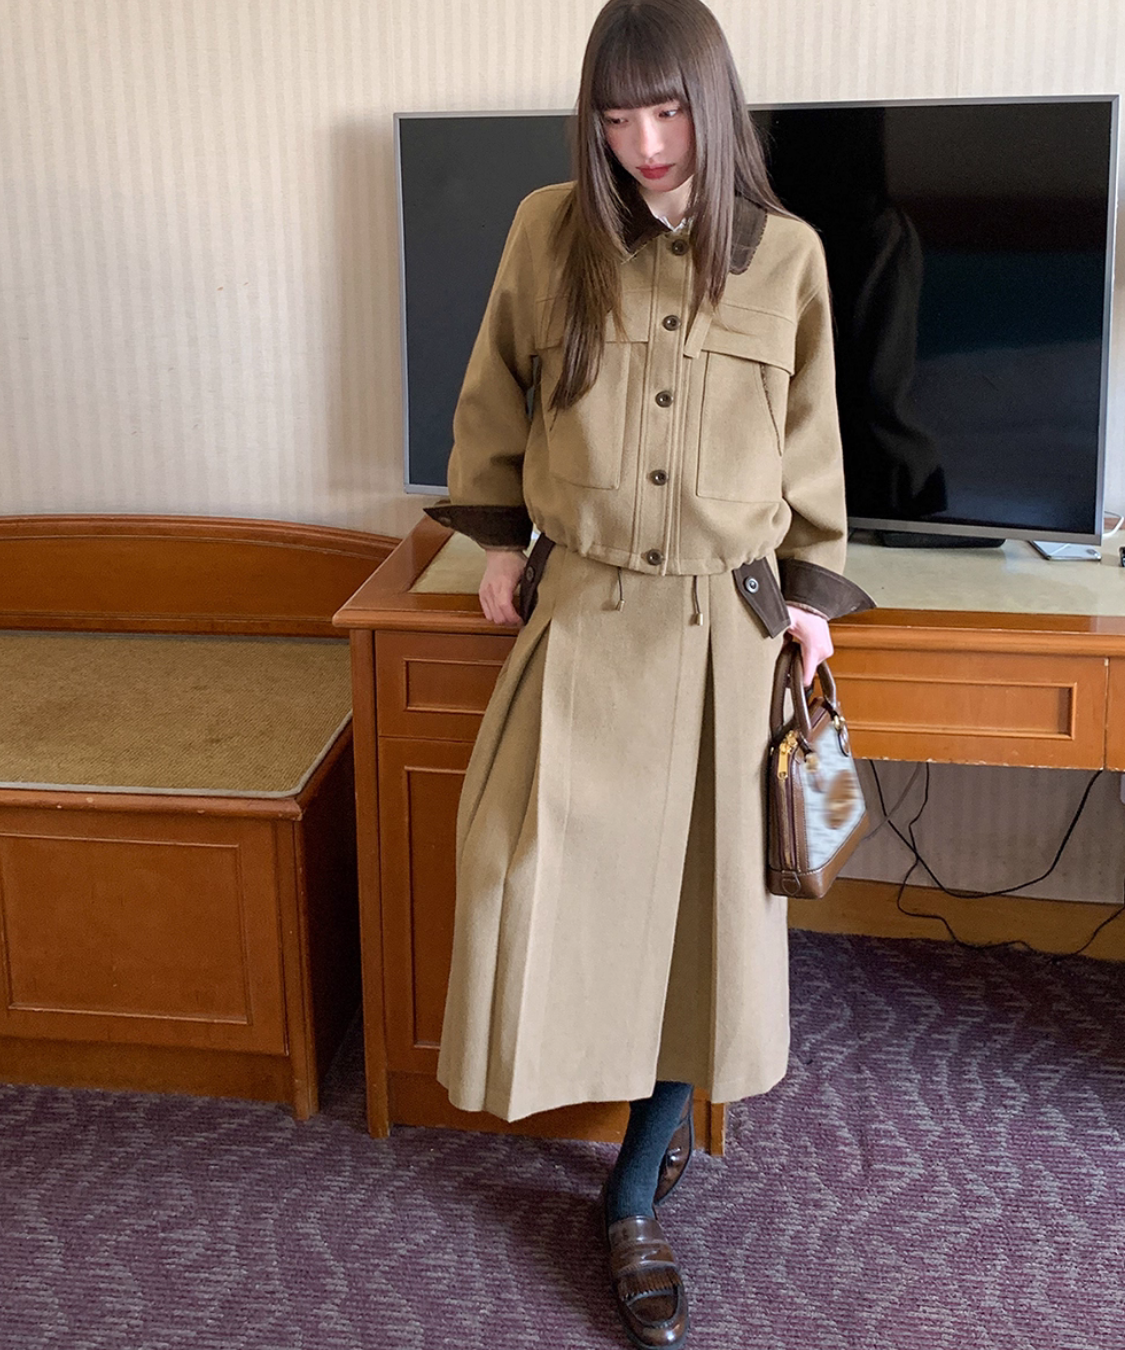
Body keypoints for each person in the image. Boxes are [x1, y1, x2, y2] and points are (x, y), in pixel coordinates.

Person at [424, 1, 872, 1345]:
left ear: (710, 103)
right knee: (513, 872)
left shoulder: (787, 254)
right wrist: (498, 538)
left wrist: (810, 599)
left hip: (725, 635)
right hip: (585, 618)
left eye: (666, 111)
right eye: (617, 117)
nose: (643, 143)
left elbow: (812, 439)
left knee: (702, 926)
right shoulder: (546, 231)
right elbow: (495, 390)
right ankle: (603, 1140)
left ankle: (630, 1193)